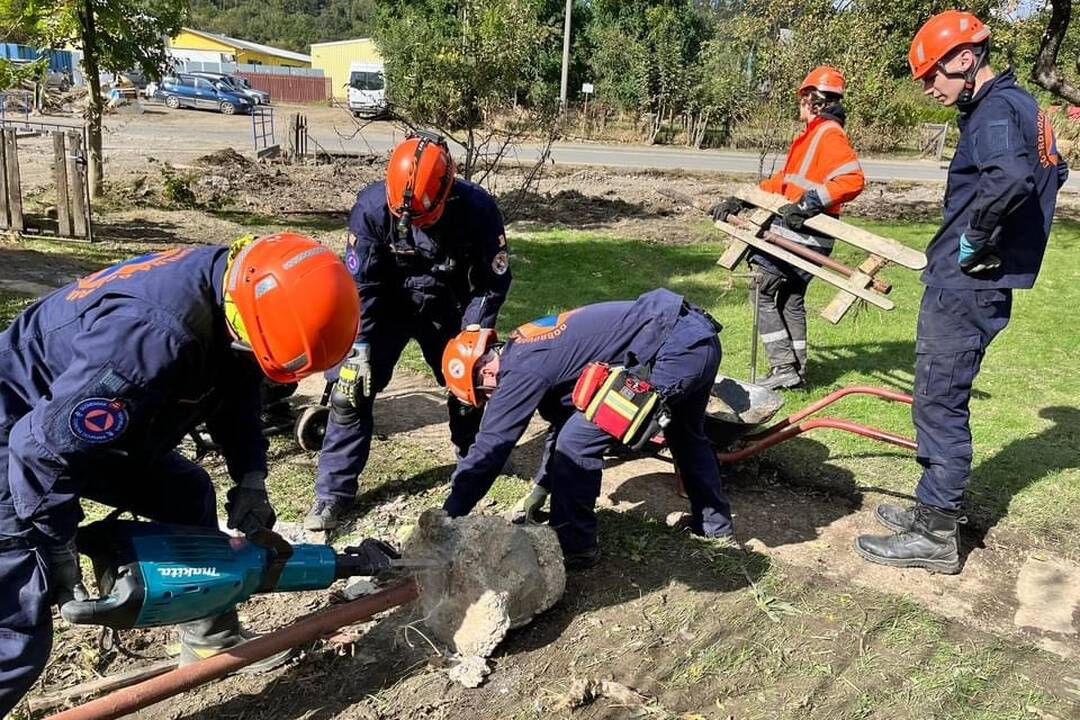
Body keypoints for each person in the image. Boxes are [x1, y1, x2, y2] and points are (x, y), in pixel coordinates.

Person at [0, 232, 360, 716]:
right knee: (16, 632)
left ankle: (211, 639)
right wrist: (57, 546)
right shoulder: (148, 339)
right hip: (16, 435)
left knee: (186, 493)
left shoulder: (235, 291)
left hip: (63, 422)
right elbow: (38, 450)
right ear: (243, 318)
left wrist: (251, 479)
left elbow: (235, 396)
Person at [855, 11, 1069, 574]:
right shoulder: (1022, 106)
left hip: (966, 285)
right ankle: (931, 508)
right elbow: (1056, 170)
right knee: (939, 395)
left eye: (932, 75)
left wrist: (977, 236)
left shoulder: (996, 109)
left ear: (965, 59)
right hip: (979, 280)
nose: (928, 88)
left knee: (938, 399)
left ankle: (936, 533)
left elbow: (1012, 178)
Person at [304, 130, 512, 531]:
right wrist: (359, 347)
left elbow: (492, 282)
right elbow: (361, 286)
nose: (413, 225)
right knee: (350, 388)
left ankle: (473, 461)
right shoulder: (371, 208)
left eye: (423, 218)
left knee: (467, 381)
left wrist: (474, 330)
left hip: (449, 305)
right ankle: (332, 494)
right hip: (384, 306)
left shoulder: (478, 209)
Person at [440, 288, 733, 570]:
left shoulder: (519, 370)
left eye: (485, 394)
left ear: (485, 371)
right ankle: (715, 527)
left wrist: (448, 516)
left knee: (577, 442)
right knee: (686, 437)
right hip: (695, 337)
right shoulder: (524, 347)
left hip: (675, 351)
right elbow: (562, 422)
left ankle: (574, 546)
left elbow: (491, 447)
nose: (492, 398)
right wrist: (541, 488)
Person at [711, 66, 865, 390]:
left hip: (802, 233)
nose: (799, 104)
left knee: (761, 290)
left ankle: (782, 366)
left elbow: (852, 180)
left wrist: (808, 204)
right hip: (810, 234)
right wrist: (741, 199)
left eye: (802, 98)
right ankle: (796, 371)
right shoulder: (813, 135)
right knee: (790, 298)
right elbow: (784, 181)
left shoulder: (828, 134)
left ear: (812, 99)